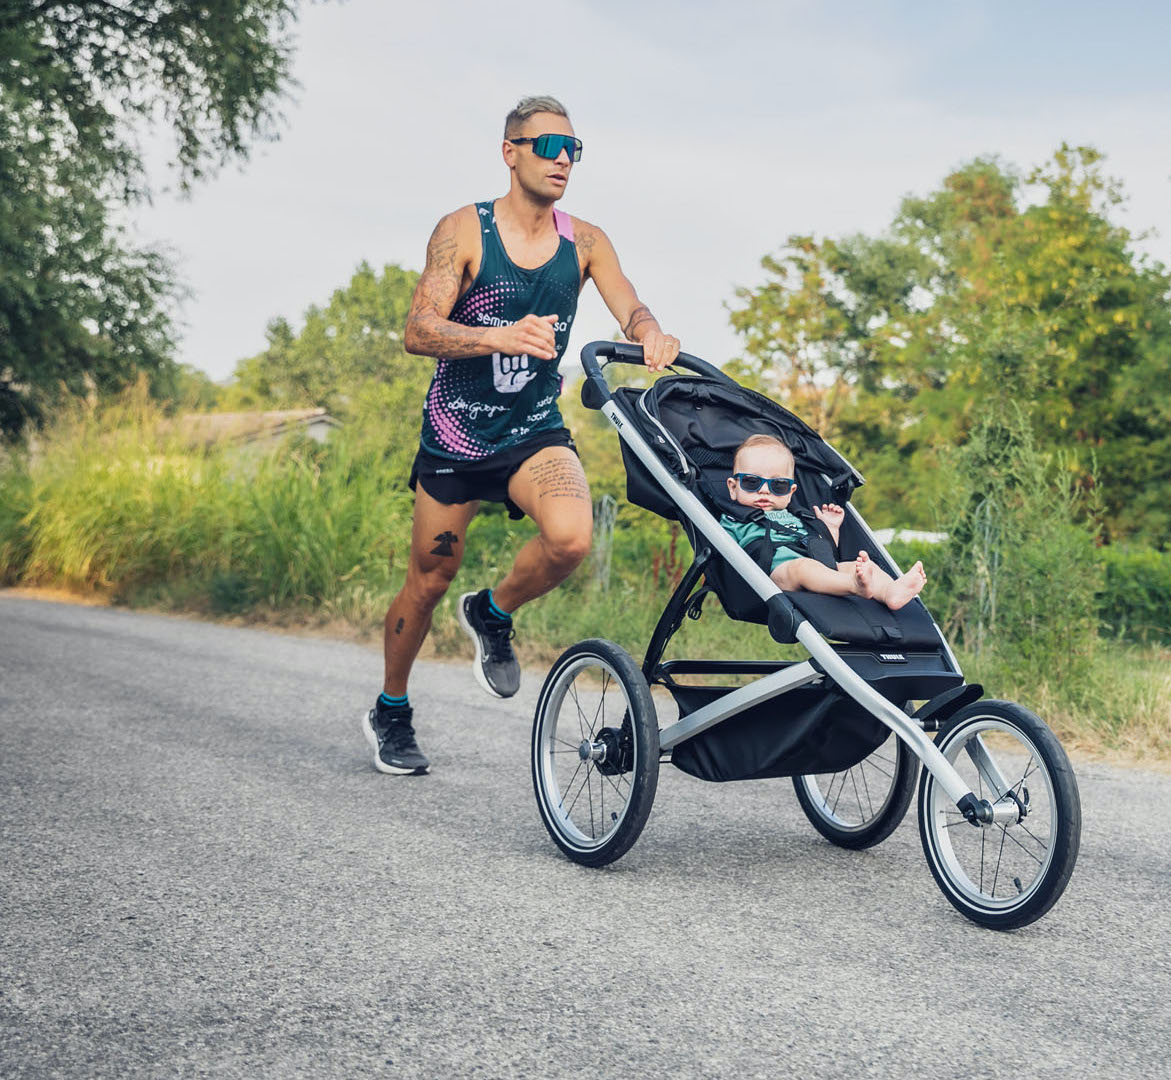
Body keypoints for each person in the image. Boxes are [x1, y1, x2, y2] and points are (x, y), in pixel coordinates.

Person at [364, 95, 681, 776]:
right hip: (456, 436)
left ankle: (494, 612)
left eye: (574, 149)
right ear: (511, 153)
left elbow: (629, 302)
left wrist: (648, 330)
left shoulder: (586, 240)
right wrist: (494, 336)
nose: (563, 160)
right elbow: (418, 330)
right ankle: (391, 708)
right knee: (428, 579)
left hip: (534, 429)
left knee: (571, 538)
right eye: (548, 147)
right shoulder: (463, 231)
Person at [718, 434, 927, 611]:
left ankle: (890, 592)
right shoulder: (732, 519)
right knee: (803, 567)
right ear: (733, 487)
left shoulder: (796, 517)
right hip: (776, 574)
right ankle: (854, 585)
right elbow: (723, 552)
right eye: (751, 482)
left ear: (791, 493)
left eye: (778, 485)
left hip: (816, 568)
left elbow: (822, 550)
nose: (764, 490)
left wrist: (830, 529)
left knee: (855, 565)